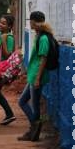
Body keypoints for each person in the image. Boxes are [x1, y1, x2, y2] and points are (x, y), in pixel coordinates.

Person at [17, 11, 50, 141]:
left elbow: (43, 59)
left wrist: (37, 78)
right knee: (22, 101)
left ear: (34, 22)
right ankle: (34, 127)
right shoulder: (39, 36)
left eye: (30, 21)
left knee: (35, 105)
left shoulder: (43, 38)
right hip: (33, 75)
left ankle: (34, 130)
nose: (29, 23)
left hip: (37, 76)